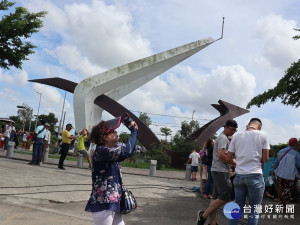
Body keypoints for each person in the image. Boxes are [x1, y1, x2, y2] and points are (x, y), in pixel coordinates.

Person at [85, 119, 138, 225]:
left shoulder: (113, 148)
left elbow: (129, 149)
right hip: (104, 202)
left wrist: (132, 128)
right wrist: (133, 132)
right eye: (112, 131)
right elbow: (127, 151)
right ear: (104, 137)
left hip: (113, 202)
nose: (116, 132)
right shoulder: (101, 151)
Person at [226, 118, 270, 225]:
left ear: (247, 125)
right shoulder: (263, 135)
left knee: (237, 208)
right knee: (254, 210)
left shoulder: (236, 136)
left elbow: (228, 158)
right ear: (259, 127)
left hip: (239, 176)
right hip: (255, 176)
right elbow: (265, 159)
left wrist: (239, 162)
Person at [197, 119, 238, 225]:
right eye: (231, 129)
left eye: (234, 130)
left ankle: (213, 222)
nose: (232, 132)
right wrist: (234, 162)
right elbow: (221, 155)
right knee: (226, 196)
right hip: (220, 170)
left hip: (216, 169)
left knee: (215, 197)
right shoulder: (223, 138)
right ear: (225, 127)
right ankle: (203, 216)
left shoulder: (220, 137)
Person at [273, 137, 300, 207]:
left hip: (280, 174)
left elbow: (276, 163)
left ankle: (282, 203)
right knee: (287, 191)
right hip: (290, 176)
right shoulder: (296, 154)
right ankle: (284, 206)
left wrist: (274, 171)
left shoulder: (281, 151)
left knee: (282, 189)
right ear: (296, 145)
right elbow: (298, 165)